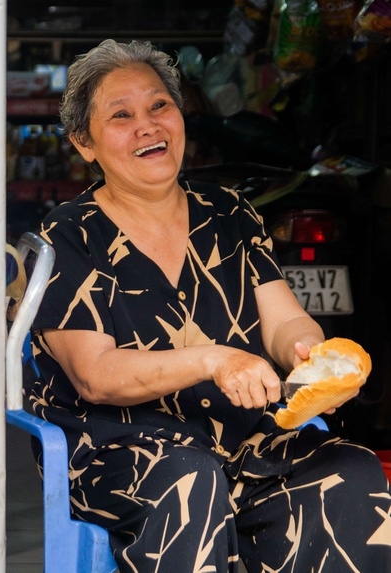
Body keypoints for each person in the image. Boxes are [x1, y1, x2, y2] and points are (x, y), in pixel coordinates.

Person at [29, 39, 391, 573]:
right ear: (85, 143)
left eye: (159, 106)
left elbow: (283, 319)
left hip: (238, 439)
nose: (148, 125)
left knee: (352, 468)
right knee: (190, 480)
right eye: (121, 116)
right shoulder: (67, 236)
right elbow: (96, 376)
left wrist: (310, 355)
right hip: (118, 449)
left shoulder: (228, 213)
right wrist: (213, 359)